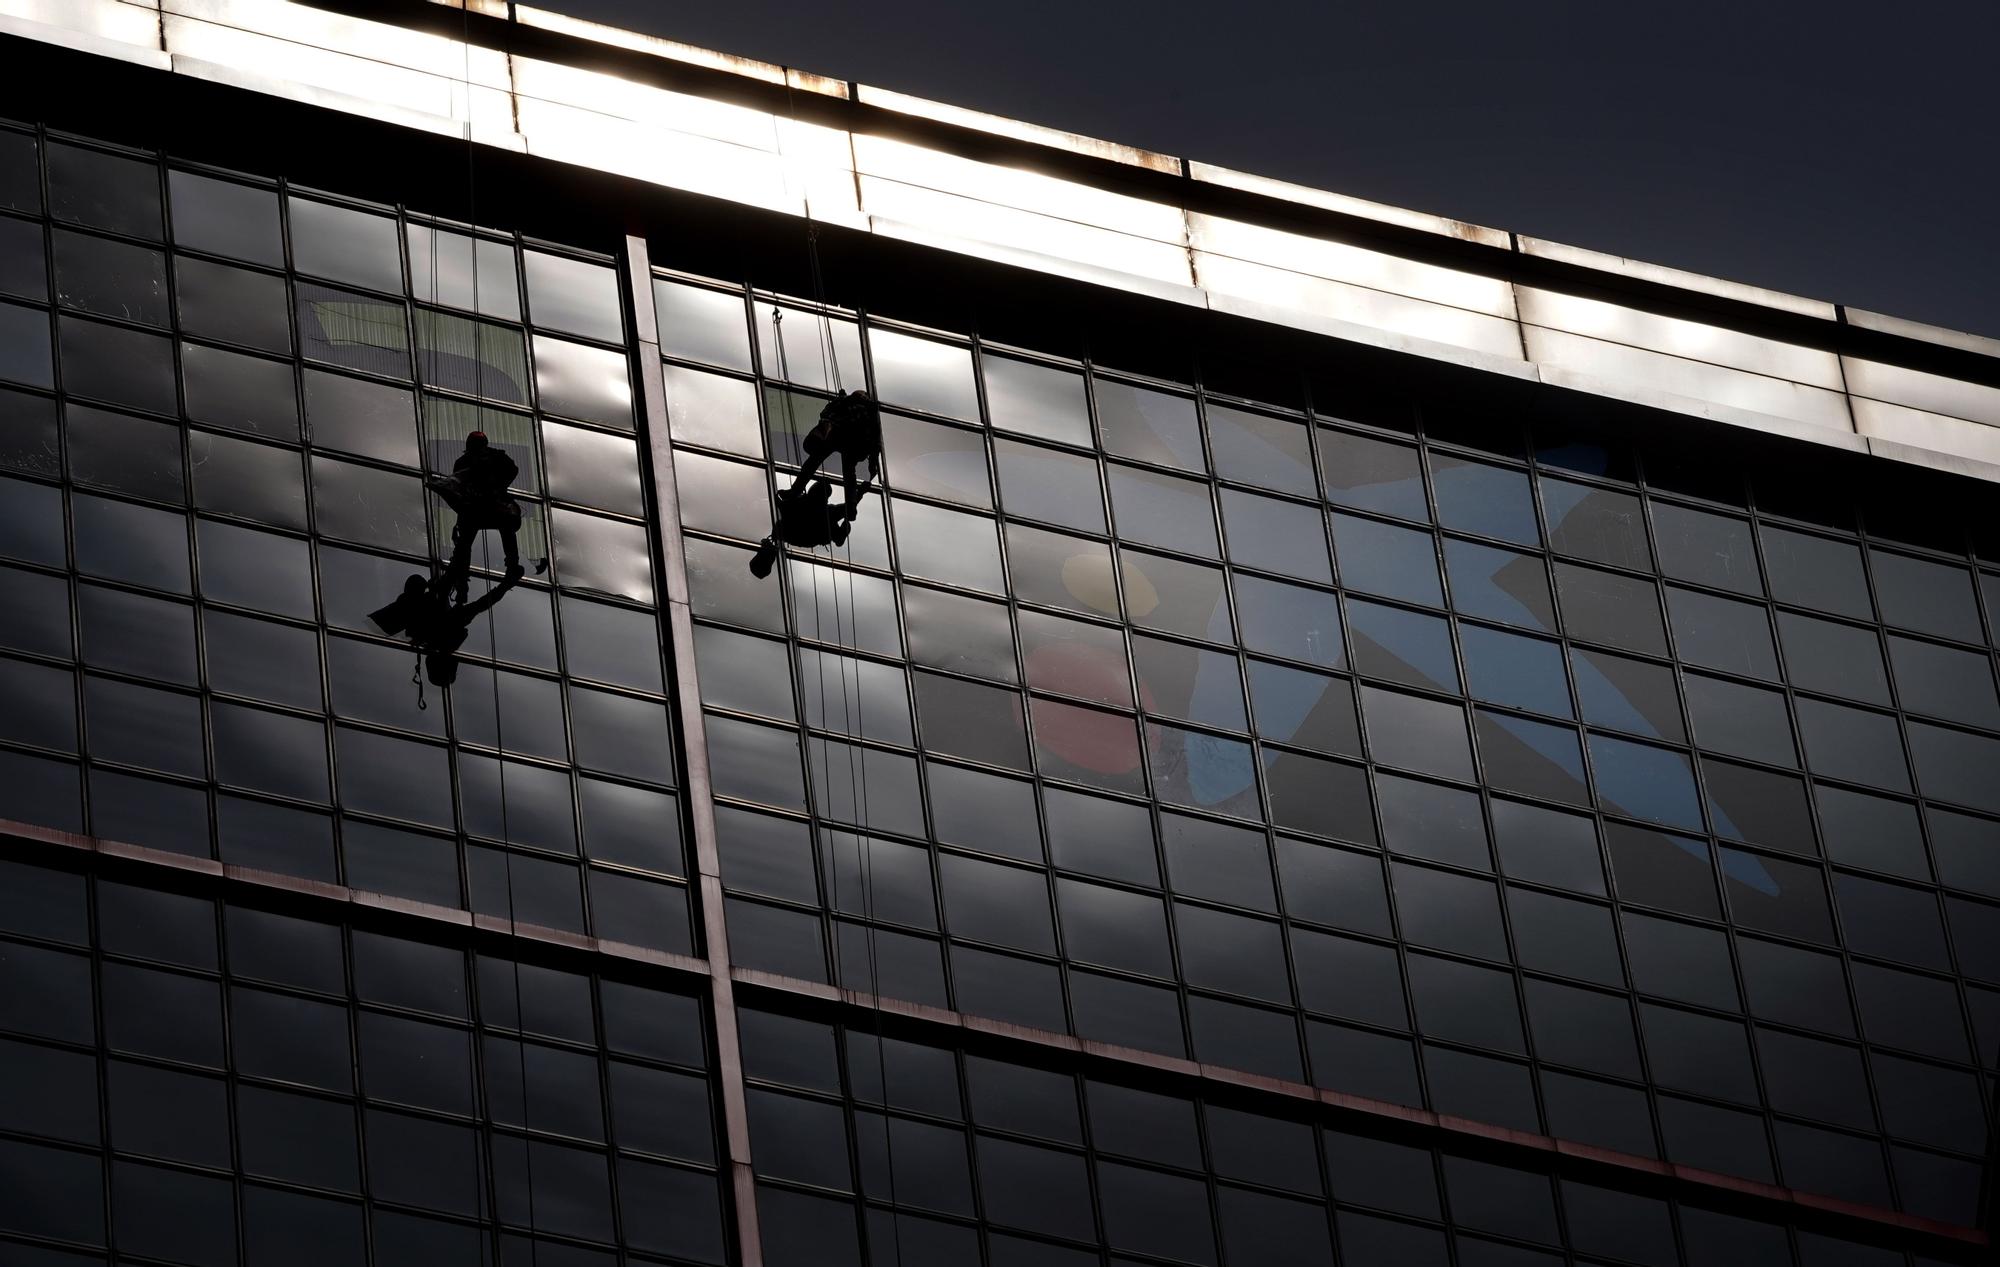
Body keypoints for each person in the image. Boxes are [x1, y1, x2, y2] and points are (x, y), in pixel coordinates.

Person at [369, 569, 522, 688]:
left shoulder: (447, 634)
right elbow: (481, 604)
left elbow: (481, 605)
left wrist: (506, 584)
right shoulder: (433, 635)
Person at [430, 431, 527, 601]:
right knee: (473, 539)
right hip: (483, 507)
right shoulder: (491, 457)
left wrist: (497, 485)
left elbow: (458, 484)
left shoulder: (475, 460)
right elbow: (512, 470)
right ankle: (508, 567)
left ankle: (462, 584)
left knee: (465, 543)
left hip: (479, 508)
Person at [785, 388, 881, 521]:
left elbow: (825, 413)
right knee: (848, 472)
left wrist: (840, 400)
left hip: (840, 436)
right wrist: (873, 462)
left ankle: (795, 490)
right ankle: (851, 504)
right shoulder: (869, 410)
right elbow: (876, 439)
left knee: (814, 461)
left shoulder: (848, 403)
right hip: (853, 441)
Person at [750, 476, 846, 577]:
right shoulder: (823, 513)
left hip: (814, 531)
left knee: (835, 520)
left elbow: (784, 507)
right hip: (815, 530)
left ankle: (839, 535)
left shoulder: (790, 515)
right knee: (836, 519)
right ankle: (839, 535)